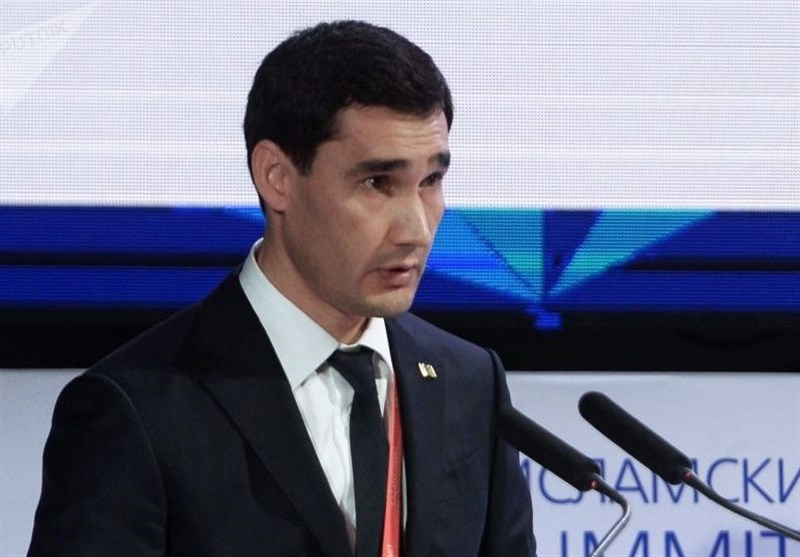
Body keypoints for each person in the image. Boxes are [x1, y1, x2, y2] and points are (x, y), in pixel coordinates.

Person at [28, 20, 536, 557]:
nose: (416, 229)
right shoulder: (135, 410)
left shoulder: (470, 384)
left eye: (431, 181)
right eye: (377, 183)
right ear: (277, 177)